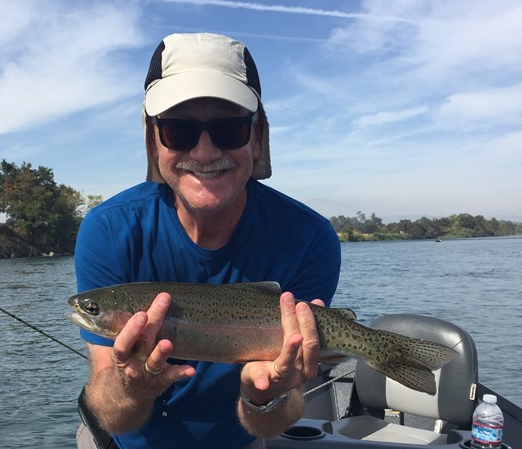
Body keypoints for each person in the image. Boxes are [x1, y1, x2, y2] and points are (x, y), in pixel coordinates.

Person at [74, 33, 341, 449]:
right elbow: (109, 415)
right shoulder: (107, 230)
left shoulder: (310, 238)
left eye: (228, 128)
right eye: (179, 130)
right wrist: (132, 387)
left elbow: (275, 421)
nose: (203, 151)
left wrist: (264, 396)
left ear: (257, 136)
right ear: (152, 139)